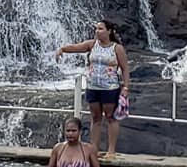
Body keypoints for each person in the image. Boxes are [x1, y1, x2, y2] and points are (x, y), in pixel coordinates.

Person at [55, 21, 130, 159]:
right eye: (96, 29)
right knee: (95, 118)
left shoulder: (116, 48)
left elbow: (125, 68)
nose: (97, 31)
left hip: (110, 88)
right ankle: (93, 149)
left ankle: (111, 150)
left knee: (111, 117)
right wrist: (63, 49)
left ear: (109, 31)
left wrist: (125, 87)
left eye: (101, 29)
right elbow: (77, 47)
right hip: (92, 87)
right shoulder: (92, 44)